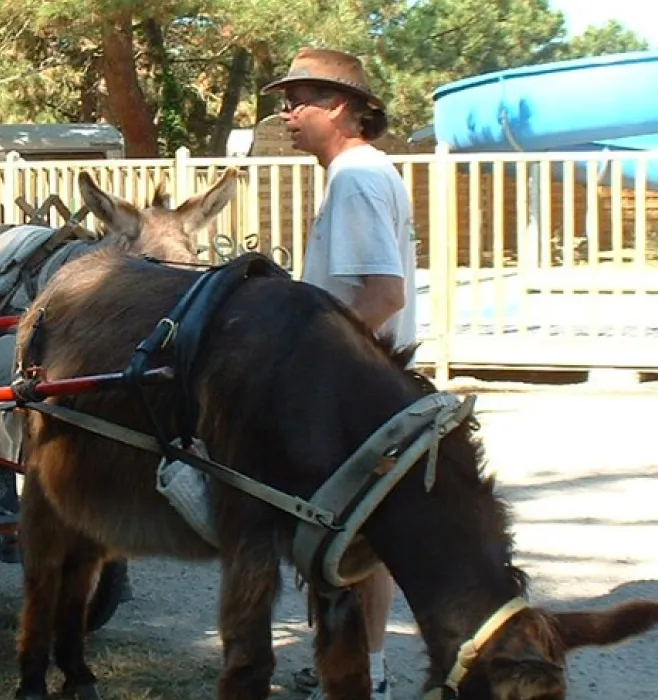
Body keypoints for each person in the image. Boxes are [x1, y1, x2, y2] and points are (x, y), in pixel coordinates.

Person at [264, 47, 415, 700]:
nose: (286, 113)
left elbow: (384, 294)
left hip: (355, 391)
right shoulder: (362, 172)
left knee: (353, 537)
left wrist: (311, 362)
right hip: (366, 385)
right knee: (350, 536)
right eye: (286, 101)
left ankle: (364, 678)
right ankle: (352, 669)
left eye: (299, 100)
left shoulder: (355, 177)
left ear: (340, 106)